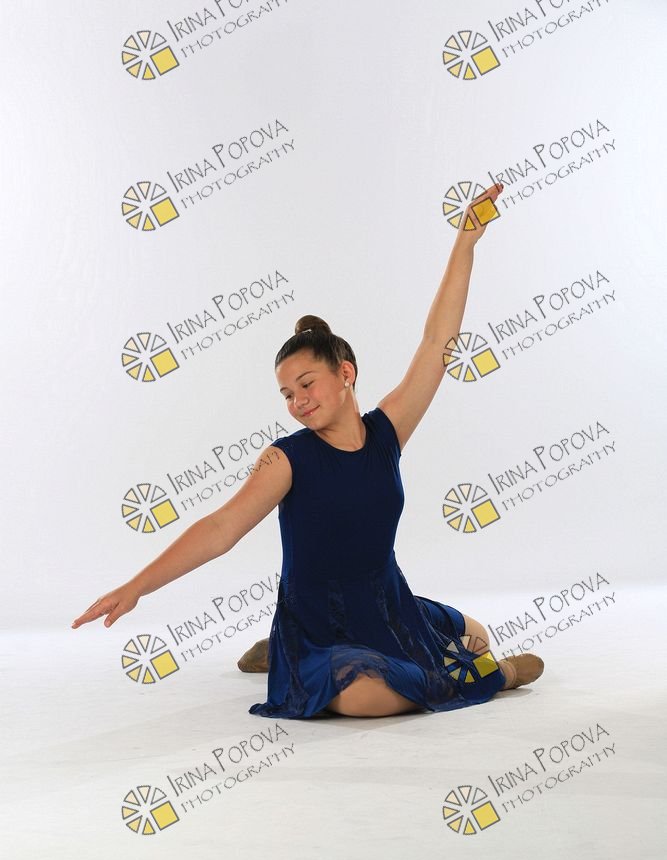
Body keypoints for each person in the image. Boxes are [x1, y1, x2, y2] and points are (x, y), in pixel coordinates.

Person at [71, 181, 544, 718]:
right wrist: (137, 586)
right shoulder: (286, 459)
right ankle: (493, 677)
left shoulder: (387, 432)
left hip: (385, 602)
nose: (297, 401)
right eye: (286, 394)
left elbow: (438, 342)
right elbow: (221, 529)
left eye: (306, 384)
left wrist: (465, 242)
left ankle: (299, 653)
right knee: (364, 698)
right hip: (319, 619)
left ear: (345, 373)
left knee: (476, 637)